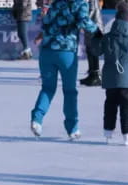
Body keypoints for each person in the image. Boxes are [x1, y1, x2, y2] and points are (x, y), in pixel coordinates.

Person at [30, 0, 99, 139]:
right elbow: (83, 21)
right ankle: (72, 128)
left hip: (47, 51)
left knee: (48, 88)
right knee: (69, 91)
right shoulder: (80, 3)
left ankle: (37, 119)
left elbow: (46, 22)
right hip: (66, 52)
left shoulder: (56, 3)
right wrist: (98, 32)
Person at [91, 1, 128, 145]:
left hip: (110, 78)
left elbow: (96, 51)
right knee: (127, 105)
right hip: (126, 79)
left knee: (110, 103)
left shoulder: (107, 37)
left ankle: (108, 130)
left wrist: (96, 37)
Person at [79, 0, 104, 86]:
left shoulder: (92, 1)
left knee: (94, 51)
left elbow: (91, 11)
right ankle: (91, 74)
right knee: (89, 50)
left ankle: (96, 76)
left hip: (95, 28)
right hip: (89, 29)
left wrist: (81, 21)